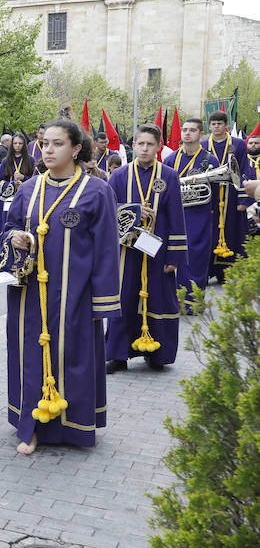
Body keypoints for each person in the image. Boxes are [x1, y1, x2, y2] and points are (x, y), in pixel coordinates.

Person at [3, 119, 120, 454]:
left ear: (76, 149)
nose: (48, 150)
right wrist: (16, 238)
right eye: (45, 143)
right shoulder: (28, 188)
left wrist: (103, 303)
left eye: (57, 143)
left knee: (72, 357)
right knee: (30, 356)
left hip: (76, 296)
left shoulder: (98, 191)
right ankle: (31, 427)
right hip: (29, 296)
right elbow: (7, 227)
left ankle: (74, 427)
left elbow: (108, 250)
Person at [105, 125, 187, 374]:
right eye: (140, 144)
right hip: (126, 251)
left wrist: (174, 256)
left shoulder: (169, 176)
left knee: (159, 298)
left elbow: (176, 216)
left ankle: (158, 354)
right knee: (124, 298)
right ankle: (118, 355)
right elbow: (109, 210)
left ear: (159, 146)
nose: (144, 148)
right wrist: (135, 210)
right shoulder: (119, 176)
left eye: (150, 144)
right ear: (134, 146)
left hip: (158, 250)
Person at [163, 118, 218, 314]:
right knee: (171, 259)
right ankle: (173, 302)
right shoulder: (170, 159)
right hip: (174, 216)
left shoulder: (210, 160)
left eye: (192, 130)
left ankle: (193, 303)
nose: (187, 133)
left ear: (201, 134)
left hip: (199, 216)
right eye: (185, 130)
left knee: (196, 259)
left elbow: (215, 190)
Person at [201, 111, 252, 282]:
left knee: (234, 233)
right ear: (209, 126)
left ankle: (230, 272)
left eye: (219, 124)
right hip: (211, 198)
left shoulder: (238, 144)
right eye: (213, 124)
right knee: (209, 234)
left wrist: (243, 199)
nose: (216, 127)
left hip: (232, 196)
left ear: (225, 126)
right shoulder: (203, 145)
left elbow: (245, 170)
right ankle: (208, 271)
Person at [0, 133, 36, 232]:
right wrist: (12, 185)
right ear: (12, 145)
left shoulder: (30, 160)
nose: (17, 146)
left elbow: (36, 179)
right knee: (7, 225)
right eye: (15, 143)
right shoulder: (6, 161)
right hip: (9, 199)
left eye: (20, 143)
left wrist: (23, 178)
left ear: (24, 145)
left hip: (26, 198)